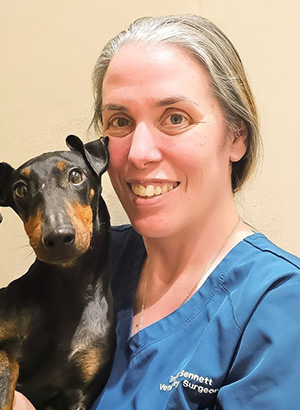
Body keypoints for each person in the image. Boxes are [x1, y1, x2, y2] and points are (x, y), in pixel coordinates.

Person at [14, 14, 300, 410]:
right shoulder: (87, 258)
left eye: (175, 118)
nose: (139, 152)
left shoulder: (280, 306)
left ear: (237, 136)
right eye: (121, 121)